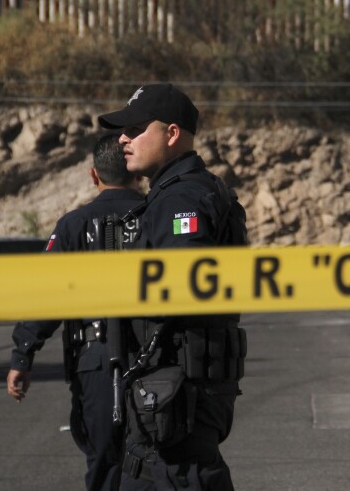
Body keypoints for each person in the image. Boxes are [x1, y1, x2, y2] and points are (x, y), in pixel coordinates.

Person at [98, 82, 248, 491]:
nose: (123, 139)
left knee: (182, 475)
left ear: (172, 133)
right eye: (122, 131)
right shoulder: (177, 193)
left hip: (179, 387)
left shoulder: (183, 199)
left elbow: (180, 286)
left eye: (135, 129)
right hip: (171, 384)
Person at [6, 130, 144, 491]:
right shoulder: (158, 217)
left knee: (103, 461)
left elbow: (46, 298)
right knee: (154, 458)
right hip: (156, 358)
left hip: (94, 360)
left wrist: (22, 357)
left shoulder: (74, 226)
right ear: (138, 172)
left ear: (93, 174)